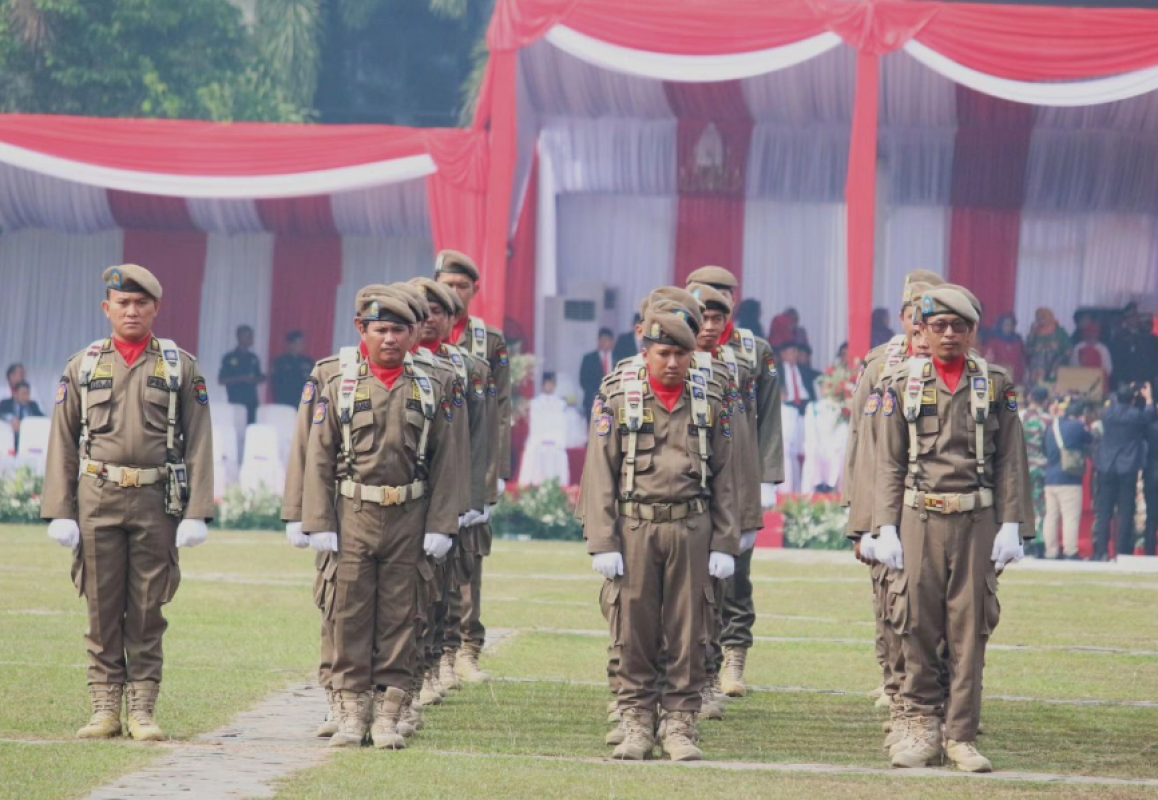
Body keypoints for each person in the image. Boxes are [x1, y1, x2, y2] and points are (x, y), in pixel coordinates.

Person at [40, 263, 213, 742]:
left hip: (157, 499)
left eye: (141, 303)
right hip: (97, 497)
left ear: (156, 308)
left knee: (147, 607)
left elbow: (199, 440)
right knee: (100, 604)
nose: (132, 310)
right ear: (107, 308)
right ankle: (104, 707)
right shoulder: (84, 365)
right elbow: (63, 439)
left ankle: (142, 708)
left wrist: (197, 511)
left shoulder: (179, 366)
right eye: (123, 303)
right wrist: (60, 509)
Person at [874, 286, 1032, 773]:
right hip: (918, 516)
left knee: (970, 629)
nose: (948, 334)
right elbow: (887, 461)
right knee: (915, 625)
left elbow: (1011, 459)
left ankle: (961, 734)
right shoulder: (901, 383)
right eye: (938, 326)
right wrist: (883, 526)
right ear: (921, 329)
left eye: (958, 326)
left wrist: (1012, 525)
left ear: (972, 332)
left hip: (976, 519)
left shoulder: (996, 384)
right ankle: (921, 728)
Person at [300, 289, 464, 750]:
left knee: (402, 614)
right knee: (349, 613)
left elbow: (448, 460)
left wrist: (440, 525)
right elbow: (318, 456)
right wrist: (317, 520)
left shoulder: (435, 385)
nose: (389, 338)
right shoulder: (341, 385)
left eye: (398, 330)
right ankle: (352, 713)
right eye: (381, 329)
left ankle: (388, 714)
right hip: (353, 513)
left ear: (413, 334)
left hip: (410, 516)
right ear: (362, 330)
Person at [582, 304, 738, 762]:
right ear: (646, 351)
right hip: (635, 528)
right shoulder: (617, 396)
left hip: (692, 526)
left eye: (682, 354)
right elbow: (600, 473)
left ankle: (679, 724)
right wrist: (603, 541)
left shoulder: (712, 397)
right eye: (664, 352)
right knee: (633, 630)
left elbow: (729, 475)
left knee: (691, 633)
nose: (673, 363)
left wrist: (726, 542)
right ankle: (635, 720)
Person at [845, 269, 942, 736]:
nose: (921, 326)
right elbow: (861, 443)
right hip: (884, 503)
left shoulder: (970, 368)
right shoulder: (880, 363)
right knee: (890, 599)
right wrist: (861, 518)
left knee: (941, 609)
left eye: (930, 316)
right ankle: (895, 682)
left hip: (938, 507)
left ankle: (933, 694)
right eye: (914, 315)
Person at [685, 266, 784, 698]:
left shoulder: (753, 352)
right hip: (690, 479)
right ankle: (696, 667)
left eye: (722, 301)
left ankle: (734, 655)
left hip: (739, 480)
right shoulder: (675, 349)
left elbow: (768, 417)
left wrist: (767, 477)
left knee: (736, 574)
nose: (712, 318)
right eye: (705, 304)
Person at [436, 249, 510, 683]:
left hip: (473, 461)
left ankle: (466, 647)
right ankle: (437, 650)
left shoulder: (489, 342)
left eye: (462, 286)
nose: (454, 292)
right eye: (448, 283)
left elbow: (500, 409)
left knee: (469, 558)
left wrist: (494, 472)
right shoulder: (415, 329)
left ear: (474, 290)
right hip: (435, 464)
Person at [1092, 382, 1155, 560]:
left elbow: (1116, 402)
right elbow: (1150, 414)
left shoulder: (1107, 414)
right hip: (1127, 467)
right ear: (1133, 399)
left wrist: (1126, 393)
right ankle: (1122, 551)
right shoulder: (1136, 416)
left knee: (1104, 511)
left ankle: (1101, 551)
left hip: (1107, 466)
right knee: (1126, 510)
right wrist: (1148, 398)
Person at [1043, 397, 1091, 560]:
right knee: (1070, 517)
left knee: (1051, 517)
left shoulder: (1051, 428)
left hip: (1050, 478)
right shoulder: (1078, 426)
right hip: (1069, 478)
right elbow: (1089, 439)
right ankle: (1070, 551)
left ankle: (1051, 551)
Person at [777, 341, 814, 495]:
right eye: (792, 351)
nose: (795, 355)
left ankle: (803, 487)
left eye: (796, 352)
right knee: (789, 450)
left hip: (805, 409)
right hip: (787, 408)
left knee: (807, 448)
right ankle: (787, 487)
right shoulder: (777, 371)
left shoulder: (804, 371)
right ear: (783, 354)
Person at [1020, 386, 1052, 554]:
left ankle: (1024, 540)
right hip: (1040, 466)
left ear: (1030, 396)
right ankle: (1038, 541)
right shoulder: (1048, 420)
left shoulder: (1019, 416)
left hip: (1020, 467)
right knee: (1039, 505)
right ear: (1046, 401)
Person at [218, 324, 265, 424]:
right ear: (240, 337)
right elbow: (221, 380)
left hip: (252, 400)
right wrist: (241, 378)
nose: (251, 339)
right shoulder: (229, 357)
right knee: (237, 426)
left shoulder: (253, 358)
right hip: (236, 399)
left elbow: (259, 376)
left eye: (251, 336)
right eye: (248, 336)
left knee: (251, 427)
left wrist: (260, 378)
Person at [1110, 312, 1158, 391]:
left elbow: (1152, 357)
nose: (1134, 320)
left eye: (1135, 317)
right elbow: (1117, 359)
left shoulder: (1146, 336)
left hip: (1145, 377)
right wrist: (1120, 378)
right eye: (1131, 317)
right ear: (1126, 320)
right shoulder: (1120, 337)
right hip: (1127, 377)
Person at [1026, 308, 1071, 387]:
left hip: (1054, 367)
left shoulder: (1060, 332)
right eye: (1039, 318)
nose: (1041, 320)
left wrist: (1058, 348)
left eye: (1044, 317)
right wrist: (1034, 349)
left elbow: (1069, 351)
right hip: (1037, 370)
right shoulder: (1034, 332)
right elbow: (1026, 351)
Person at [271, 331, 314, 406]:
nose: (301, 346)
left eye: (302, 343)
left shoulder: (308, 361)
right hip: (285, 400)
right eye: (298, 343)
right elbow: (276, 382)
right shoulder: (281, 361)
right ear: (290, 344)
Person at [983, 314, 1027, 386]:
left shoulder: (1017, 340)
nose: (1009, 327)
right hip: (999, 376)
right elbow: (988, 360)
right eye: (1006, 325)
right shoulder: (994, 341)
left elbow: (1021, 359)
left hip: (1015, 377)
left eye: (1011, 325)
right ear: (1001, 325)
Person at [580, 328, 616, 415]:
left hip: (614, 403)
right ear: (598, 341)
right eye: (602, 340)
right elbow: (583, 381)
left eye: (607, 340)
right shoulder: (589, 359)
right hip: (593, 402)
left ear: (612, 342)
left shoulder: (618, 359)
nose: (604, 342)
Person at [0, 381, 44, 449]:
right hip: (9, 441)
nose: (26, 396)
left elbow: (43, 419)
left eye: (28, 393)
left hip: (29, 441)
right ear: (15, 394)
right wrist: (11, 419)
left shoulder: (33, 405)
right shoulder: (6, 403)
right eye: (23, 393)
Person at [1072, 320, 1113, 394]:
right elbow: (1074, 366)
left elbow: (1108, 369)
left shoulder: (1103, 349)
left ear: (1097, 335)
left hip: (1098, 384)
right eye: (1088, 334)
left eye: (1093, 334)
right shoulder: (1078, 348)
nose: (1091, 336)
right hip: (1081, 383)